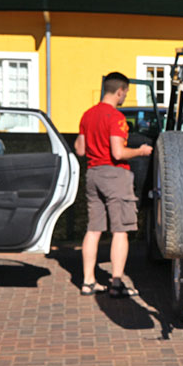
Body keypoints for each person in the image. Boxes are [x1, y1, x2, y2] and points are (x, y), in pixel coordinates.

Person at [74, 72, 153, 297]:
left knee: (93, 229)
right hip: (115, 176)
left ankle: (88, 282)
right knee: (121, 231)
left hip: (92, 173)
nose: (125, 97)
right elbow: (118, 152)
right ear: (120, 91)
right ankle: (116, 284)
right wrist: (141, 151)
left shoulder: (87, 115)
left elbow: (80, 149)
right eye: (126, 93)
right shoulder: (115, 117)